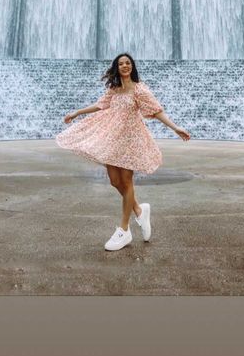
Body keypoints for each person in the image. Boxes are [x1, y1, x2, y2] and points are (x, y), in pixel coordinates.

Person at [55, 52, 190, 251]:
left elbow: (156, 110)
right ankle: (139, 209)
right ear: (117, 68)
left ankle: (124, 230)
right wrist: (77, 112)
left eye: (128, 63)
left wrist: (175, 127)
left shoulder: (139, 90)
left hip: (130, 141)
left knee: (127, 182)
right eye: (121, 64)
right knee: (114, 181)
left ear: (132, 66)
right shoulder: (115, 89)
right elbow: (100, 105)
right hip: (113, 139)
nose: (125, 66)